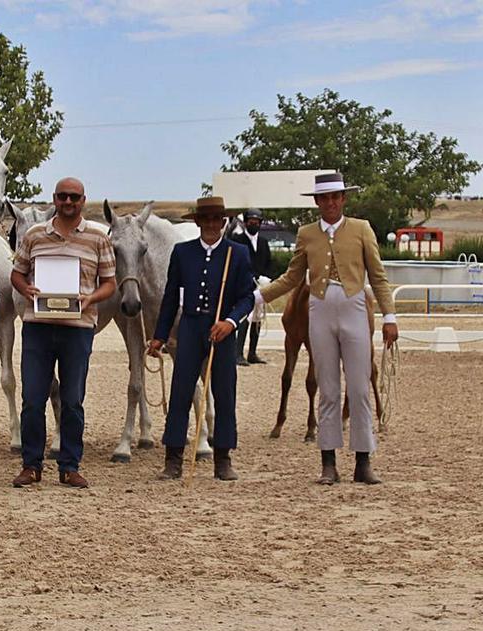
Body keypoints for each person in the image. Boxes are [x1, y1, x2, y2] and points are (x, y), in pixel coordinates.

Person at [256, 172, 397, 485]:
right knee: (328, 388)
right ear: (317, 201)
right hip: (319, 309)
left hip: (354, 306)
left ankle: (363, 460)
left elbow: (378, 275)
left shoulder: (361, 229)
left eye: (335, 197)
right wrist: (259, 296)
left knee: (359, 387)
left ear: (343, 199)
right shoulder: (307, 234)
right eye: (325, 198)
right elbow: (292, 277)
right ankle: (328, 462)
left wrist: (389, 316)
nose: (330, 202)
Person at [10, 177, 116, 489]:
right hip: (38, 327)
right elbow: (16, 273)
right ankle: (31, 465)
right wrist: (26, 288)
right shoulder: (34, 235)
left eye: (74, 197)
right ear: (54, 199)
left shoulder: (98, 238)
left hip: (78, 329)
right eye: (62, 197)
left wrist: (91, 299)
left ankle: (69, 465)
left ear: (83, 200)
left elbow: (110, 282)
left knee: (72, 400)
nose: (68, 202)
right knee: (32, 399)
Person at [148, 197, 255, 481]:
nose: (211, 224)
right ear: (197, 222)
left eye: (216, 219)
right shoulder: (183, 252)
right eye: (205, 219)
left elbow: (247, 297)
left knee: (224, 392)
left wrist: (230, 322)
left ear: (224, 222)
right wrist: (159, 336)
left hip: (222, 329)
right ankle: (173, 458)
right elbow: (170, 298)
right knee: (181, 391)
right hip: (191, 327)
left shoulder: (238, 253)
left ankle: (223, 457)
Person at [229, 207, 272, 365]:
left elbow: (268, 263)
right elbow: (235, 263)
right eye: (251, 222)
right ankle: (238, 353)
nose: (254, 224)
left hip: (260, 286)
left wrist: (265, 279)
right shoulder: (237, 239)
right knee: (243, 318)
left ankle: (252, 352)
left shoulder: (263, 242)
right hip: (243, 286)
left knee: (257, 319)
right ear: (246, 223)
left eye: (257, 222)